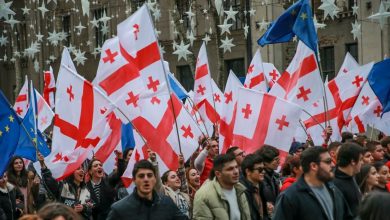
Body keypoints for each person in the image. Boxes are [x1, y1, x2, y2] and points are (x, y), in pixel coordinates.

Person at [273, 147, 350, 220]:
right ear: (314, 166)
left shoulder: (334, 190)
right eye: (328, 161)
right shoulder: (290, 196)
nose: (333, 165)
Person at [107, 160, 187, 219]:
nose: (146, 179)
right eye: (141, 176)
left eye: (149, 175)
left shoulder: (166, 202)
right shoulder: (120, 209)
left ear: (155, 179)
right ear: (134, 180)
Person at [193, 154, 251, 220]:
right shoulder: (203, 195)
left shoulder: (240, 190)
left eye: (236, 167)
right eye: (230, 169)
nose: (236, 172)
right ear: (218, 174)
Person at [86, 151, 126, 220]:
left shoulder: (109, 181)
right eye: (95, 166)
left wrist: (120, 158)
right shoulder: (85, 187)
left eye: (100, 165)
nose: (99, 167)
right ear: (90, 171)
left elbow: (120, 172)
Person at [333, 143, 364, 220]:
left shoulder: (352, 176)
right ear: (353, 161)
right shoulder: (334, 184)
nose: (362, 163)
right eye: (360, 159)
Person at [240, 154, 266, 220]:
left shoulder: (262, 186)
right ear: (248, 171)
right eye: (260, 169)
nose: (263, 171)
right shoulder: (241, 190)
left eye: (263, 168)